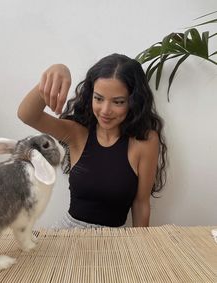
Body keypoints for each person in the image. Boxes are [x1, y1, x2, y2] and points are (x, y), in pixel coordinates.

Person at [18, 53, 167, 228]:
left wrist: (139, 249)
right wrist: (59, 69)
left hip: (114, 241)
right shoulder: (77, 133)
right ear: (91, 96)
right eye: (98, 98)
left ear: (133, 102)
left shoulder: (145, 141)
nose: (105, 110)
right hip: (68, 235)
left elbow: (140, 204)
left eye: (118, 102)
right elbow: (27, 115)